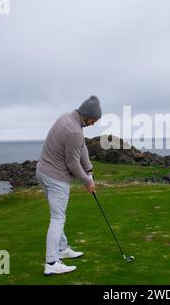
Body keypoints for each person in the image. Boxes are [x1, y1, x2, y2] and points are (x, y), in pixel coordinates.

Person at [36, 95, 102, 275]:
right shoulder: (73, 131)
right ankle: (51, 262)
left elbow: (82, 148)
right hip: (55, 178)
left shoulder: (67, 118)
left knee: (57, 215)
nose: (93, 124)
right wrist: (87, 182)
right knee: (57, 218)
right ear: (87, 115)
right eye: (93, 120)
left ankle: (62, 248)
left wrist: (89, 169)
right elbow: (72, 163)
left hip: (42, 171)